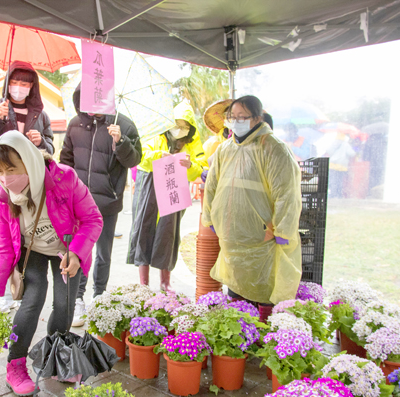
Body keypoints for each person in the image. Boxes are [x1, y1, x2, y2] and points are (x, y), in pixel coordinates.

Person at [0, 131, 102, 397]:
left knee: (65, 301)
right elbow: (1, 246)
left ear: (29, 161)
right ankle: (15, 365)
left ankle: (55, 358)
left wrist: (76, 254)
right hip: (30, 250)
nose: (5, 178)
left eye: (12, 169)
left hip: (66, 249)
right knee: (33, 298)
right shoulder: (1, 195)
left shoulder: (64, 179)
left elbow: (93, 219)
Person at [202, 95, 302, 320]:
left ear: (257, 118)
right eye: (232, 117)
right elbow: (212, 186)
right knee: (236, 290)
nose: (236, 121)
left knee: (263, 291)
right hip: (231, 236)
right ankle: (239, 340)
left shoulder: (273, 148)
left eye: (242, 117)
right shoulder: (225, 149)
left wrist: (283, 230)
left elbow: (287, 193)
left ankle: (261, 338)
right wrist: (209, 218)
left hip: (262, 238)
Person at [0, 61, 54, 313]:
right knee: (3, 243)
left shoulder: (41, 115)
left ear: (32, 87)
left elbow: (50, 151)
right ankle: (7, 293)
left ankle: (23, 293)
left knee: (26, 243)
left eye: (25, 83)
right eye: (15, 82)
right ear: (7, 84)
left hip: (29, 193)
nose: (19, 87)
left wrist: (43, 143)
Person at [60, 84, 142, 325]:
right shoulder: (75, 124)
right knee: (79, 251)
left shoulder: (123, 124)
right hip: (78, 204)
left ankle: (99, 296)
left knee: (104, 254)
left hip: (107, 203)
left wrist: (122, 142)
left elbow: (135, 159)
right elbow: (66, 159)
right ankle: (77, 299)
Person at [127, 102, 206, 291]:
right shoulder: (155, 133)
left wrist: (190, 166)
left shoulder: (193, 142)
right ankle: (143, 283)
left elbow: (199, 168)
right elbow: (141, 156)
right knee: (143, 229)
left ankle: (165, 282)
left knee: (168, 232)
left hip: (174, 187)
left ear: (190, 128)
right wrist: (158, 155)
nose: (180, 130)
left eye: (185, 126)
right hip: (149, 183)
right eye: (177, 124)